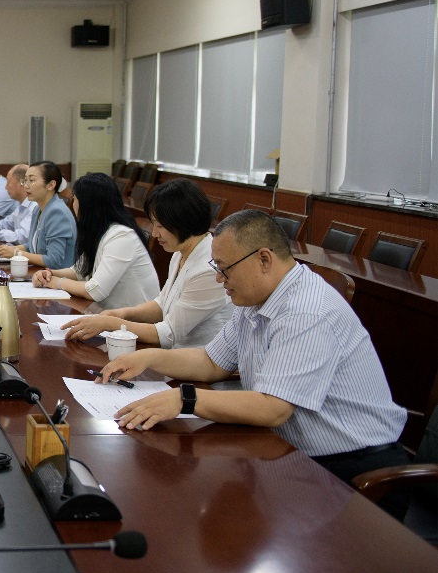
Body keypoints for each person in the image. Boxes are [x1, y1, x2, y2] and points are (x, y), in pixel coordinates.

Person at [100, 209, 408, 515]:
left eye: (224, 269)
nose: (219, 278)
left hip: (352, 470)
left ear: (264, 259)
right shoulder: (255, 298)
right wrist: (149, 357)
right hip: (290, 453)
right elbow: (211, 362)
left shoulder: (306, 312)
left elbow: (273, 408)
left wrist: (185, 399)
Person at [61, 178, 232, 346]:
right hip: (174, 351)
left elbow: (168, 333)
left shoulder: (208, 269)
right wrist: (122, 314)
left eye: (160, 226)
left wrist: (111, 324)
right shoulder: (181, 251)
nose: (155, 234)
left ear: (183, 221)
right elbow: (162, 304)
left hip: (194, 357)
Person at [32, 172, 158, 309]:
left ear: (87, 204)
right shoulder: (98, 231)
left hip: (132, 319)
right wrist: (49, 274)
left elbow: (95, 291)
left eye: (75, 199)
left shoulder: (122, 236)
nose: (73, 204)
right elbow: (79, 271)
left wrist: (56, 282)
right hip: (107, 314)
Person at [0, 161, 77, 270]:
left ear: (51, 185)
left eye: (32, 180)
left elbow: (53, 260)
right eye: (25, 180)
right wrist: (3, 249)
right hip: (42, 272)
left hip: (58, 276)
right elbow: (32, 246)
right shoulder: (37, 209)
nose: (26, 186)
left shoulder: (57, 212)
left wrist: (15, 253)